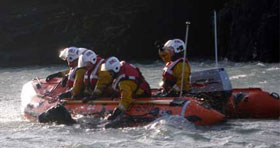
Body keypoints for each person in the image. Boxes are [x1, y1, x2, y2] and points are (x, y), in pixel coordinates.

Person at [103, 56, 151, 121]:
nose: (109, 74)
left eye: (110, 72)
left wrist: (115, 114)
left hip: (141, 94)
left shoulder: (124, 83)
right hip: (141, 89)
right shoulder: (123, 67)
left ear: (116, 69)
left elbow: (126, 101)